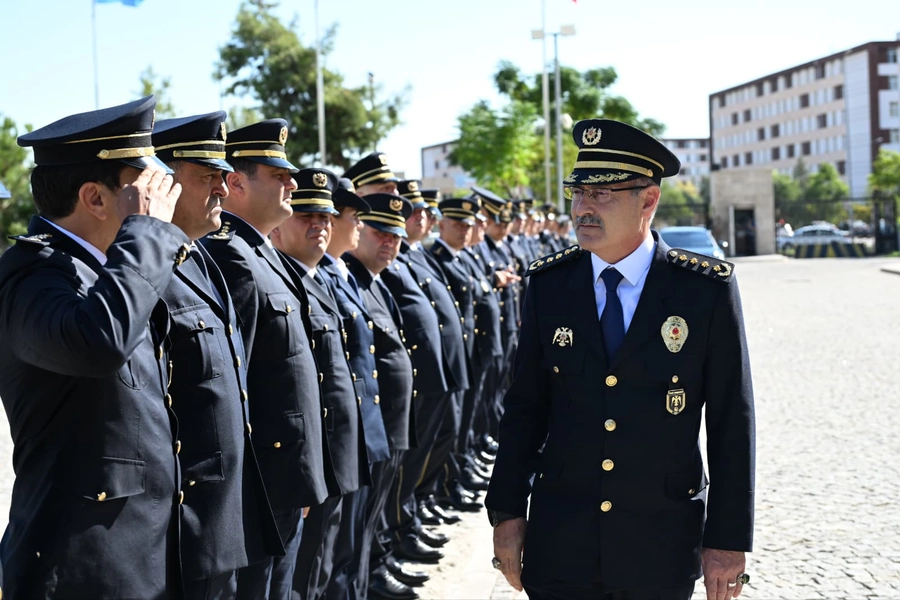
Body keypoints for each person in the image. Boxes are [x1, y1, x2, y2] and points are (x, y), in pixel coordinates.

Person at [485, 118, 756, 600]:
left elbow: (731, 421)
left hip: (659, 544)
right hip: (561, 541)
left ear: (648, 200)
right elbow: (525, 407)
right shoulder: (550, 285)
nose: (582, 208)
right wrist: (506, 513)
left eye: (601, 194)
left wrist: (727, 540)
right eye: (578, 192)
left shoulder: (703, 291)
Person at [0, 96, 187, 598]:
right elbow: (98, 343)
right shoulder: (33, 277)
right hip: (80, 570)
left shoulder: (106, 271)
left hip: (134, 558)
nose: (159, 201)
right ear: (95, 198)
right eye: (144, 188)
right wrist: (147, 232)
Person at [152, 111, 283, 597]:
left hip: (226, 511)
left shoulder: (201, 256)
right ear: (164, 183)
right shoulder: (145, 272)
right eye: (208, 176)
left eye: (224, 176)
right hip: (188, 519)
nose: (223, 190)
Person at [201, 119, 328, 600]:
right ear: (236, 183)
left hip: (286, 476)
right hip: (263, 480)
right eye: (279, 175)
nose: (292, 184)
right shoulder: (230, 255)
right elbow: (237, 382)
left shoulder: (260, 251)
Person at [268, 168, 370, 600]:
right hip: (310, 461)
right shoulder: (280, 280)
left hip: (336, 456)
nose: (320, 225)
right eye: (306, 215)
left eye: (326, 217)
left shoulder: (319, 279)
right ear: (279, 225)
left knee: (326, 566)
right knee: (304, 576)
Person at [342, 193, 417, 600]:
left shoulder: (375, 280)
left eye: (396, 236)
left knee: (372, 517)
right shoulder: (351, 277)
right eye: (380, 233)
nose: (390, 243)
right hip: (372, 425)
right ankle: (368, 578)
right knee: (356, 525)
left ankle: (373, 572)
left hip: (388, 423)